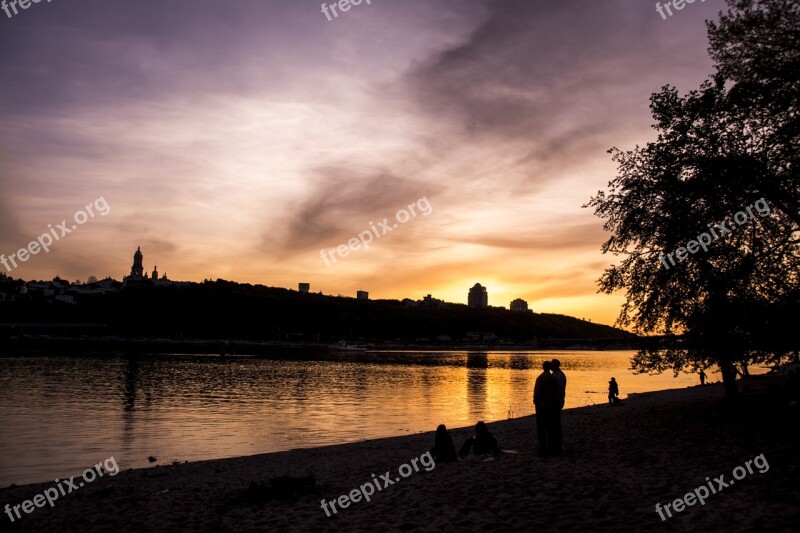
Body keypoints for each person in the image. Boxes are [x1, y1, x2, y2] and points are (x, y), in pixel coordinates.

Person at [533, 361, 560, 457]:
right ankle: (551, 448)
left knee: (541, 429)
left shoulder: (540, 378)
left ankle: (542, 450)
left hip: (541, 406)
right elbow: (557, 392)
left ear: (543, 367)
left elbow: (537, 393)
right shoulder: (554, 379)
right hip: (551, 406)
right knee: (550, 428)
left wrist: (535, 401)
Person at [551, 359, 567, 454]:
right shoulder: (556, 375)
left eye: (552, 365)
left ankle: (558, 444)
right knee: (555, 423)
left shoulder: (560, 376)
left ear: (556, 365)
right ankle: (556, 443)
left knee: (556, 423)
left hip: (557, 402)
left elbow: (559, 391)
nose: (551, 367)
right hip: (556, 402)